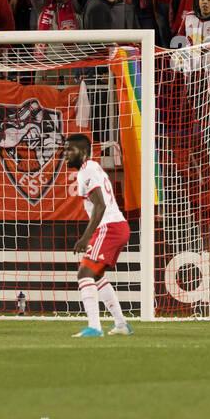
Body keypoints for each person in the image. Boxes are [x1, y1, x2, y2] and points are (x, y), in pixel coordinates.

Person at [63, 133, 132, 338]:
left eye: (70, 149)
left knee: (84, 274)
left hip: (109, 227)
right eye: (64, 149)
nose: (65, 153)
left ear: (83, 152)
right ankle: (121, 324)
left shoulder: (87, 170)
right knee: (97, 275)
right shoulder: (92, 168)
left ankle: (94, 327)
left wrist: (85, 237)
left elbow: (100, 205)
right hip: (117, 226)